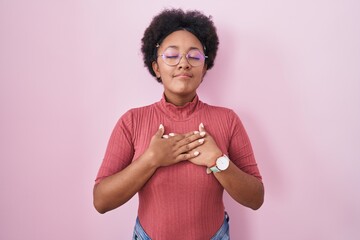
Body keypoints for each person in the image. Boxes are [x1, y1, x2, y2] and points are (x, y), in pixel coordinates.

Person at [93, 8, 264, 240]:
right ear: (156, 67)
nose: (183, 63)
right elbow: (101, 201)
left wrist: (218, 161)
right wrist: (152, 159)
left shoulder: (228, 120)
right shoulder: (132, 121)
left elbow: (256, 198)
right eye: (172, 56)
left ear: (204, 68)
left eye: (194, 57)